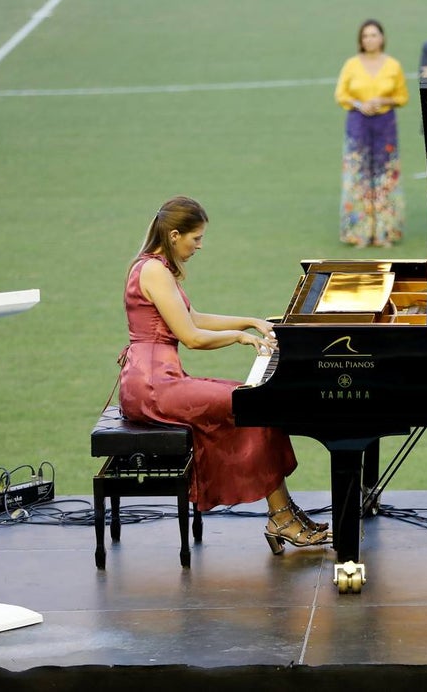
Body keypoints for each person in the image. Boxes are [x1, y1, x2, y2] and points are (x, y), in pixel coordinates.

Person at [118, 196, 330, 552]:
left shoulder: (156, 268)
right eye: (196, 238)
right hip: (152, 387)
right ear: (174, 235)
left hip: (160, 380)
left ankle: (284, 512)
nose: (199, 246)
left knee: (255, 402)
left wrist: (250, 321)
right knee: (252, 405)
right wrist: (239, 337)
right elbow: (191, 337)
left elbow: (194, 317)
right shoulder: (154, 271)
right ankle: (281, 517)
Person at [335, 19, 410, 248]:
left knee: (385, 175)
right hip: (358, 123)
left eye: (374, 35)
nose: (369, 39)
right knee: (358, 175)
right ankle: (358, 232)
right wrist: (360, 104)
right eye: (365, 36)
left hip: (385, 124)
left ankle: (385, 232)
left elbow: (402, 97)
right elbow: (341, 95)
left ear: (382, 38)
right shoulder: (351, 64)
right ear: (360, 40)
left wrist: (382, 101)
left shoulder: (393, 65)